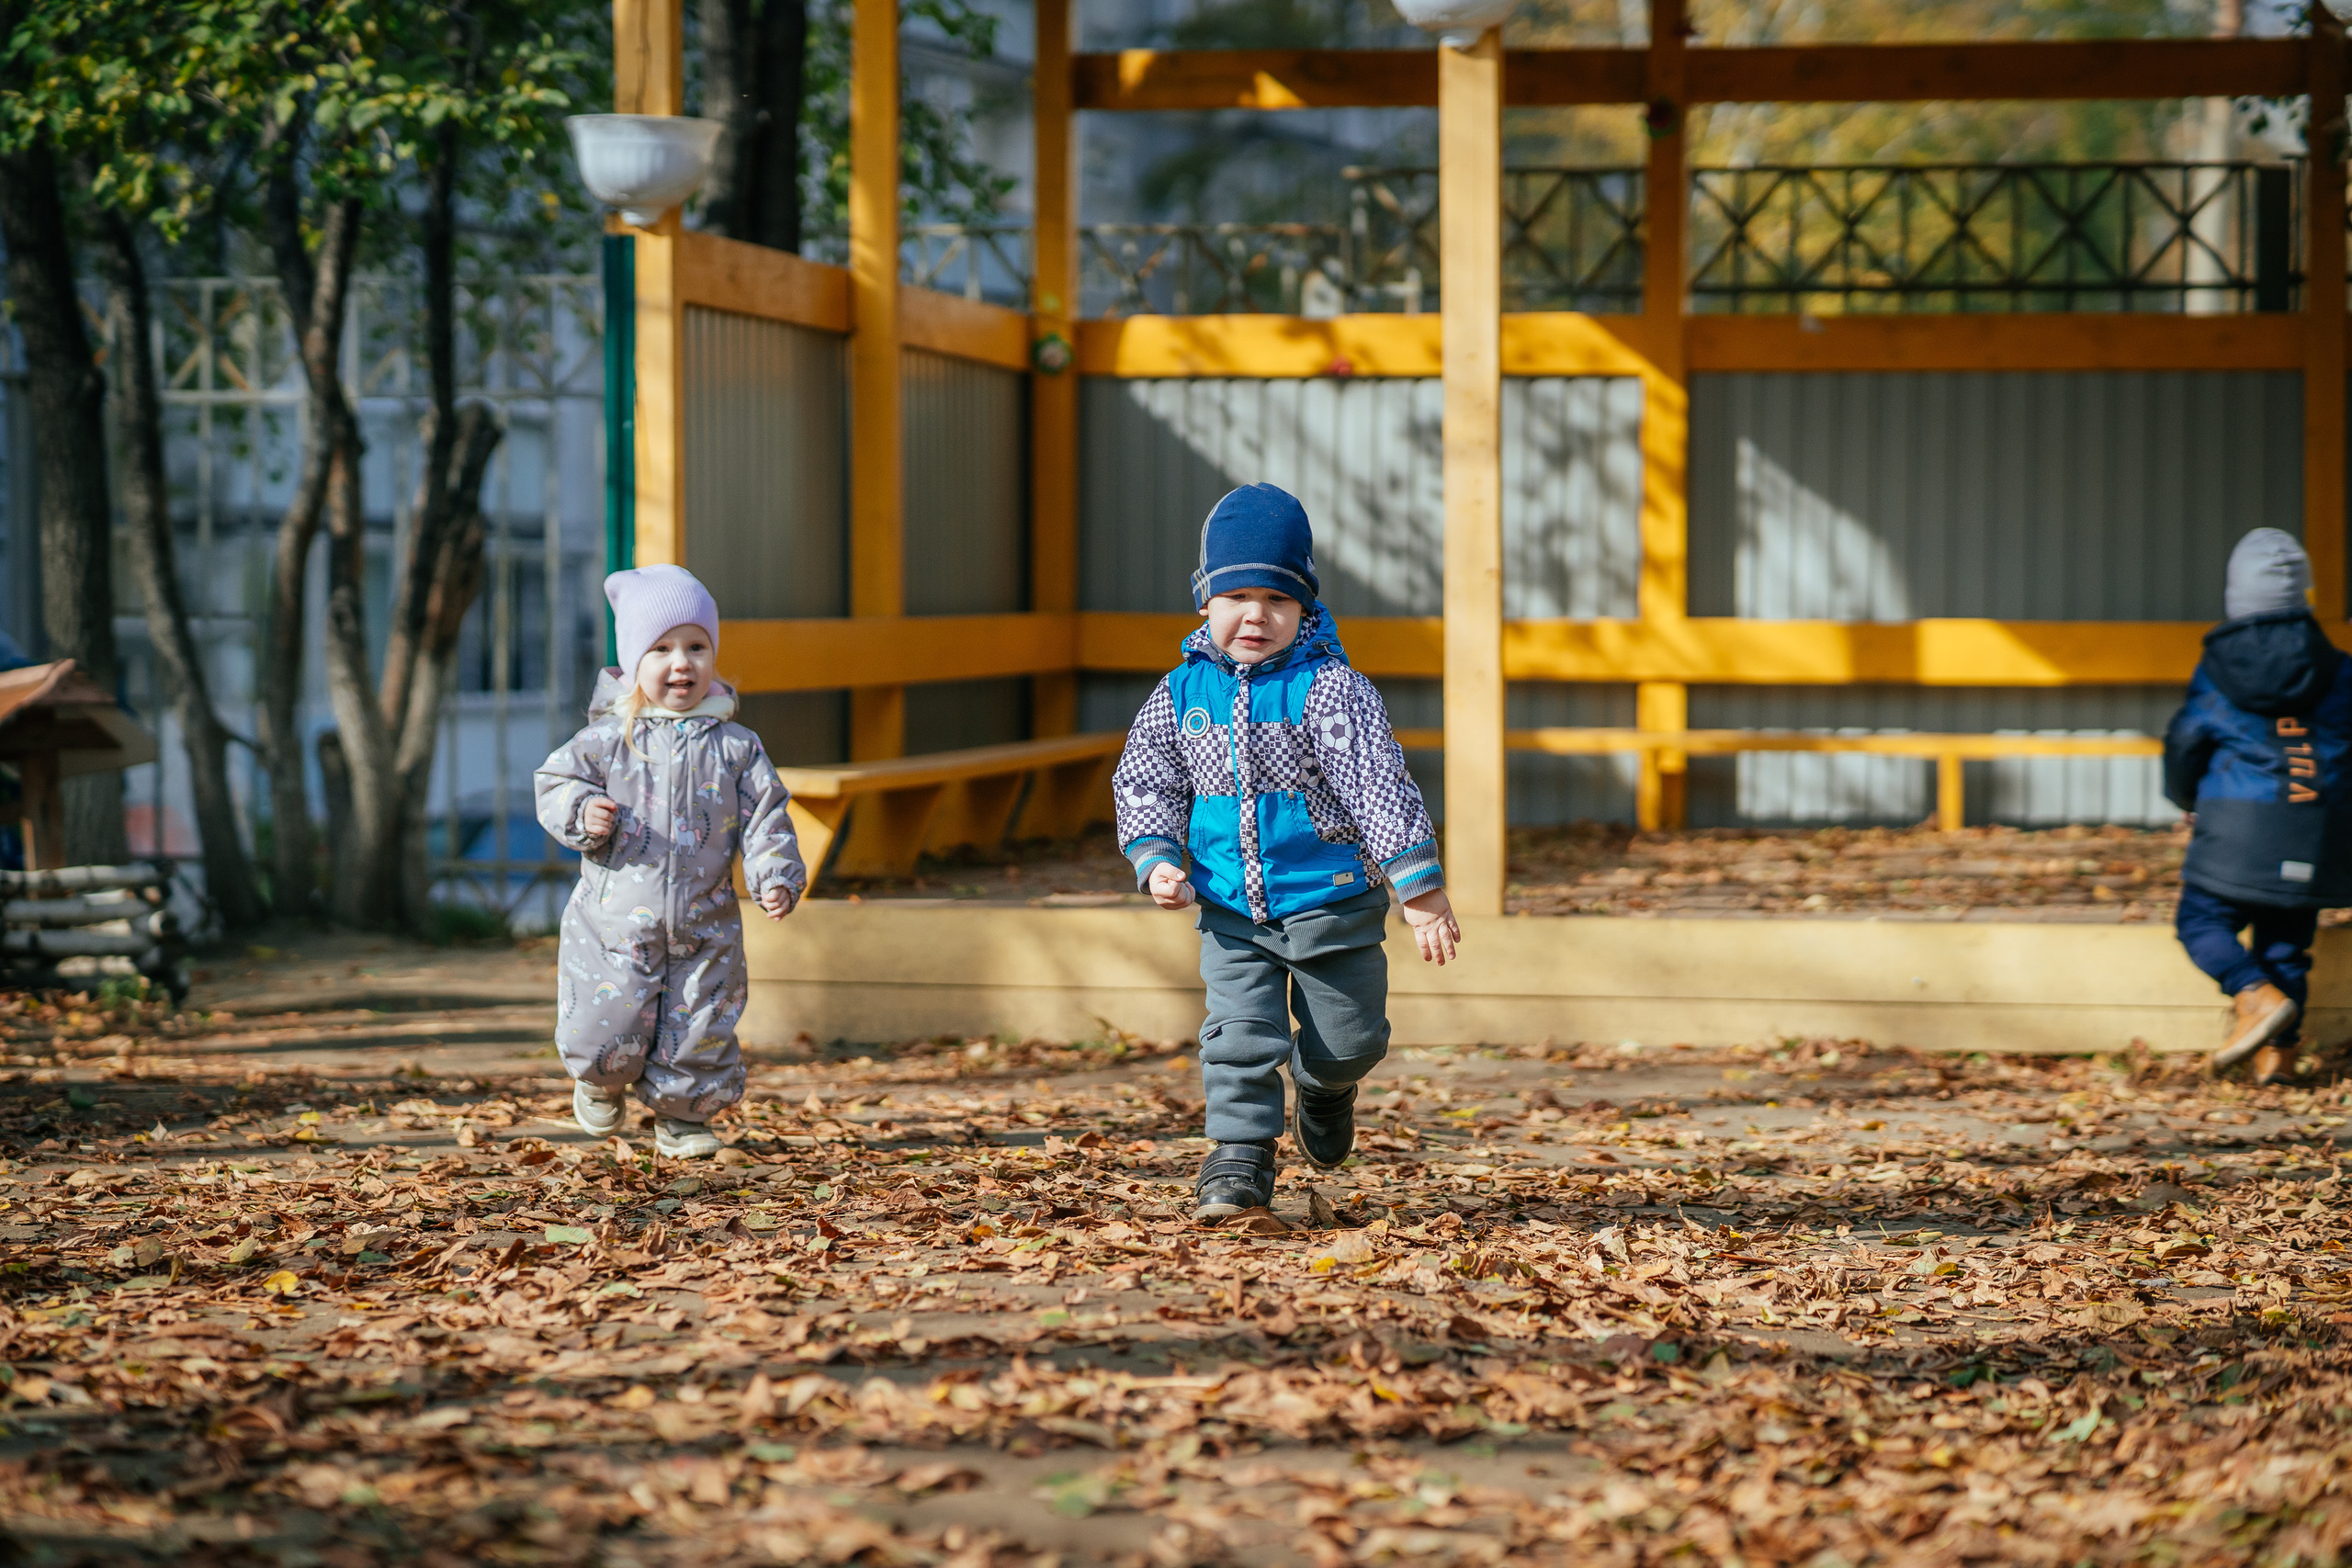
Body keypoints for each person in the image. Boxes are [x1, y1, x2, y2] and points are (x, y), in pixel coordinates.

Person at [1114, 483, 1462, 1223]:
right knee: (1238, 1037)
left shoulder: (1330, 689)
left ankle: (1327, 1086)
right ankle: (1238, 1159)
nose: (1256, 615)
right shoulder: (1180, 695)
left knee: (1351, 1040)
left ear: (1305, 608)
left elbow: (1378, 785)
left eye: (1277, 598)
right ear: (1204, 604)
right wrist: (1158, 857)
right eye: (1235, 595)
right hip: (1233, 911)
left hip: (1330, 901)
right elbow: (1145, 777)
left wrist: (1420, 886)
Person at [535, 565, 806, 1157]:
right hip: (615, 923)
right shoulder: (609, 739)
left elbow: (767, 816)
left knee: (700, 1024)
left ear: (713, 656)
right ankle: (598, 1079)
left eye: (696, 647)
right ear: (634, 662)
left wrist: (773, 873)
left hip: (704, 922)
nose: (680, 662)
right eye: (660, 649)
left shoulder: (736, 747)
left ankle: (683, 1118)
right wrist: (583, 812)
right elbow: (555, 784)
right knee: (607, 1018)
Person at [2163, 528, 2352, 1086]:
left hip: (2238, 823)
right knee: (2288, 940)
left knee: (2200, 920)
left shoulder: (2218, 670)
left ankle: (2253, 993)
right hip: (2315, 825)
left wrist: (2186, 796)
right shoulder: (2341, 668)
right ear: (2305, 595)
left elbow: (2186, 739)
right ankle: (2279, 1062)